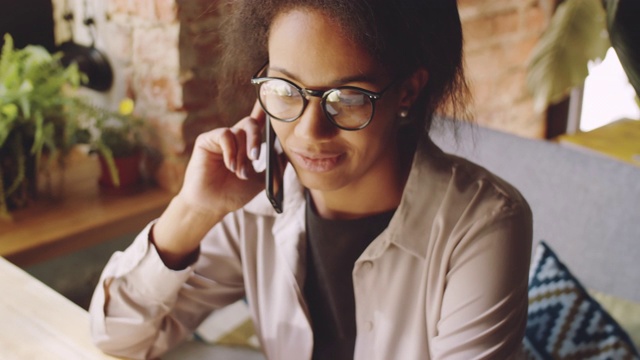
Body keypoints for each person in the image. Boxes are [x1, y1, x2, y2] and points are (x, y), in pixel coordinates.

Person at [89, 1, 533, 359]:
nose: (309, 132)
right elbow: (118, 336)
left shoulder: (484, 224)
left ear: (408, 92)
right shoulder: (254, 198)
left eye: (348, 98)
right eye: (286, 90)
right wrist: (193, 209)